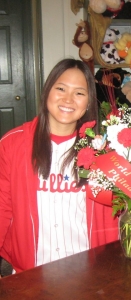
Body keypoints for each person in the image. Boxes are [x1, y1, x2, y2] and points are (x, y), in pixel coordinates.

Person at [0, 59, 118, 275]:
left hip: (91, 272)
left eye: (79, 93)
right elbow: (2, 207)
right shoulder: (12, 144)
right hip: (30, 272)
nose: (68, 99)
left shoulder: (106, 151)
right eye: (61, 89)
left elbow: (122, 209)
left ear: (89, 103)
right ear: (47, 92)